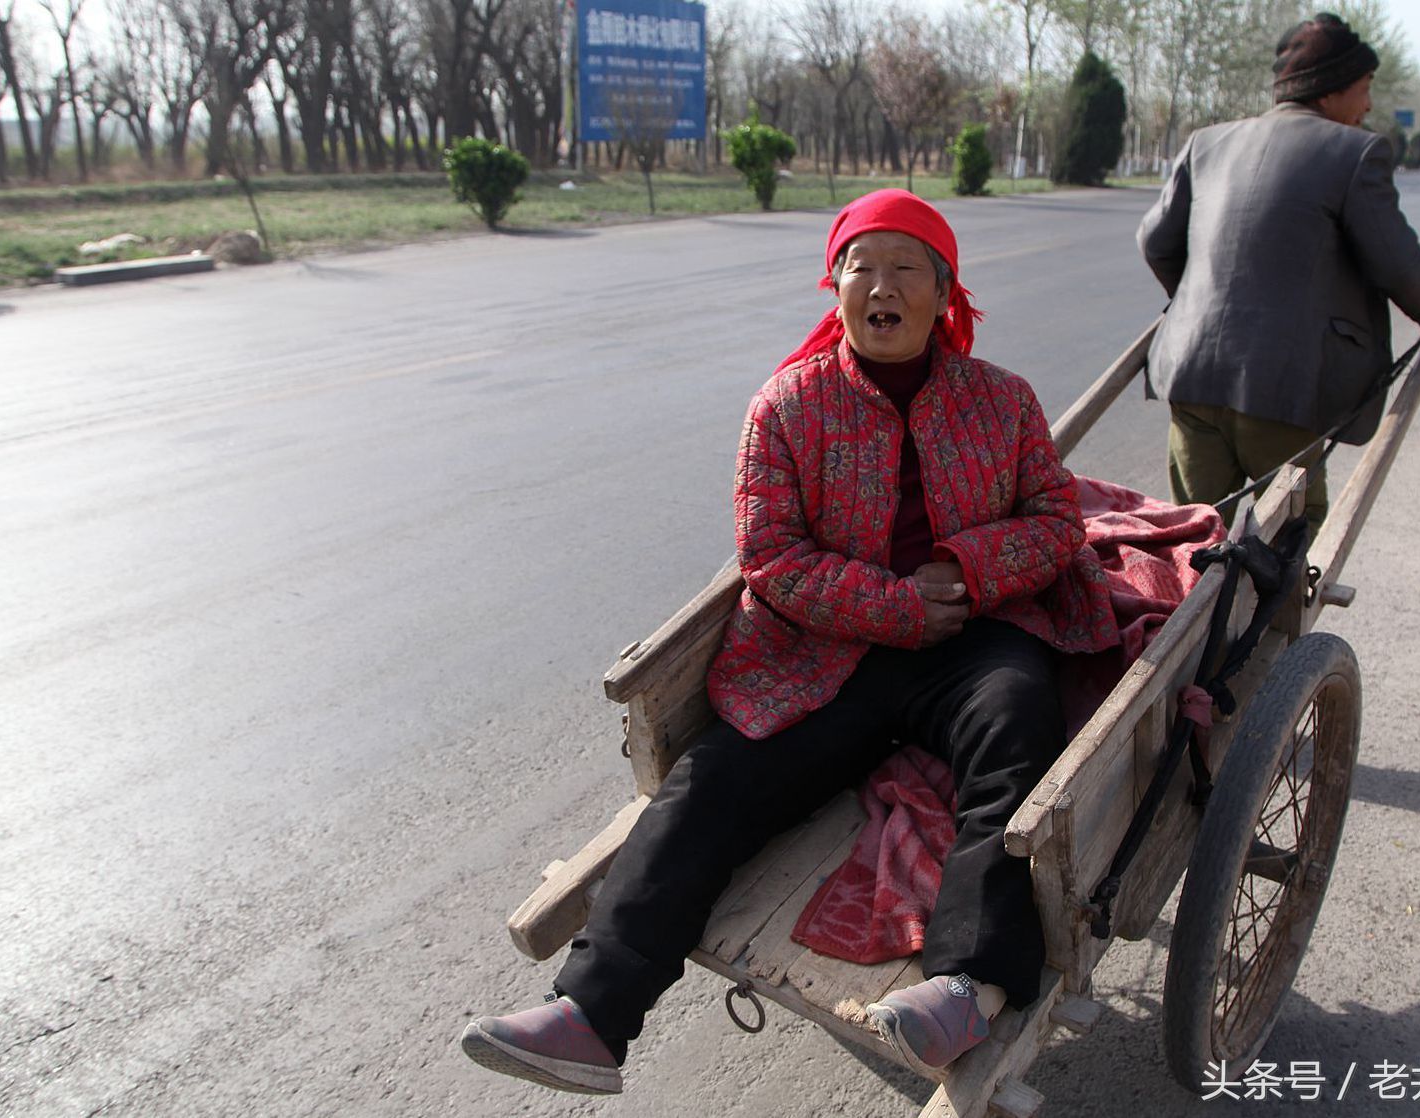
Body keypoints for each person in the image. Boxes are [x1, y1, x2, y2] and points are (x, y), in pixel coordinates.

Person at [459, 190, 1120, 1095]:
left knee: (1021, 726)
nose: (880, 287)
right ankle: (589, 1014)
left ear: (943, 293)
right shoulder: (786, 406)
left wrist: (966, 570)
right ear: (835, 287)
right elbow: (768, 555)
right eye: (861, 268)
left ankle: (969, 982)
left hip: (974, 639)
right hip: (826, 653)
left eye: (904, 270)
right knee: (713, 781)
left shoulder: (1000, 402)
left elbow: (1054, 523)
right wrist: (890, 606)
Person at [1137, 12, 1420, 535]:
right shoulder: (1355, 153)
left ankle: (1187, 618)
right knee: (1281, 543)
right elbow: (1395, 259)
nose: (1368, 106)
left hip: (1190, 375)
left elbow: (1155, 241)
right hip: (1283, 391)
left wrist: (1198, 303)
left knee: (1196, 536)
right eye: (1364, 88)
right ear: (1331, 89)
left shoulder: (1207, 143)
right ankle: (1259, 620)